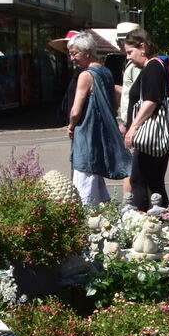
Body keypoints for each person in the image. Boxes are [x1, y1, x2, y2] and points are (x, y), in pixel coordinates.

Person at [67, 32, 131, 206]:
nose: (72, 58)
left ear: (87, 52)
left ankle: (88, 220)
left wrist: (71, 126)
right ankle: (103, 215)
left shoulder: (86, 75)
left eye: (74, 53)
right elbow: (114, 102)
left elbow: (75, 111)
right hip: (101, 130)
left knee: (84, 176)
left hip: (86, 130)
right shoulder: (106, 72)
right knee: (95, 176)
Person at [119, 28, 169, 211]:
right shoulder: (156, 66)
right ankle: (161, 221)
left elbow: (151, 100)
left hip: (152, 131)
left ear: (142, 46)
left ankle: (142, 222)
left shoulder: (152, 67)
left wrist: (133, 127)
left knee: (139, 179)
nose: (128, 57)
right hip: (160, 130)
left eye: (130, 52)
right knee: (154, 180)